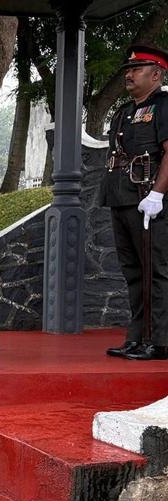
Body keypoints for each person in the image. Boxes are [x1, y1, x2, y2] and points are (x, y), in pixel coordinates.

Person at [101, 44, 168, 361]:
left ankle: (159, 340)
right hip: (124, 198)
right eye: (128, 69)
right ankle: (137, 337)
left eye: (137, 69)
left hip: (150, 200)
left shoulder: (163, 106)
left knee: (156, 271)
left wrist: (158, 193)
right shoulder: (123, 112)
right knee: (134, 272)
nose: (129, 74)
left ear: (156, 75)